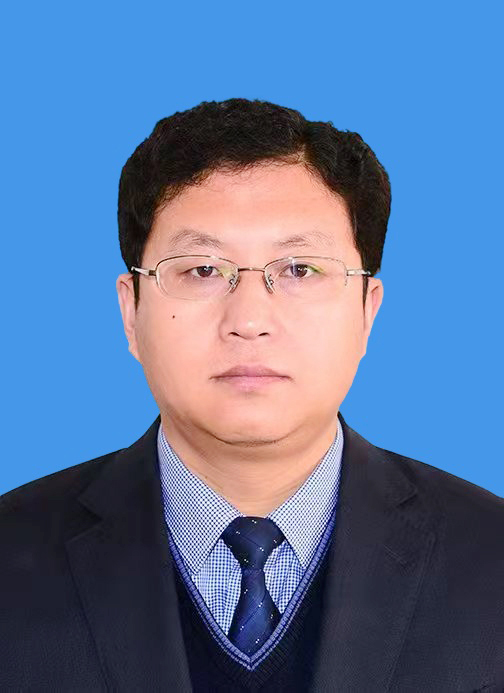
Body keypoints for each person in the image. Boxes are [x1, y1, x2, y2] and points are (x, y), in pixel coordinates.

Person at [1, 99, 503, 692]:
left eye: (299, 270)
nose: (249, 321)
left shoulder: (489, 556)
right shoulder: (12, 556)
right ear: (131, 311)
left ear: (367, 312)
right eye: (202, 270)